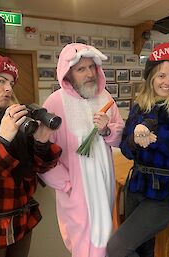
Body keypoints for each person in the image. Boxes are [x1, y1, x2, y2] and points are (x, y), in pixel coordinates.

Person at [0, 52, 62, 257]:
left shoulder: (16, 119)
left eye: (11, 82)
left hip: (21, 221)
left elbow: (39, 168)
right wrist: (1, 140)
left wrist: (41, 142)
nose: (9, 88)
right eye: (1, 80)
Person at [106, 42, 169, 257]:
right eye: (161, 76)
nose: (167, 82)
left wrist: (152, 135)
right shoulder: (141, 104)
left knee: (117, 247)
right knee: (141, 249)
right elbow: (127, 151)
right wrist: (135, 140)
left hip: (164, 194)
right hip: (136, 186)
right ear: (152, 78)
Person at [38, 43, 124, 257]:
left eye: (91, 67)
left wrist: (107, 130)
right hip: (76, 190)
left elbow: (119, 136)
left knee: (106, 238)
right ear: (69, 74)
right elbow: (41, 150)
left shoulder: (106, 99)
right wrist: (66, 184)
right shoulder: (55, 103)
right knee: (82, 243)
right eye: (81, 69)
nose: (89, 74)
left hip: (104, 185)